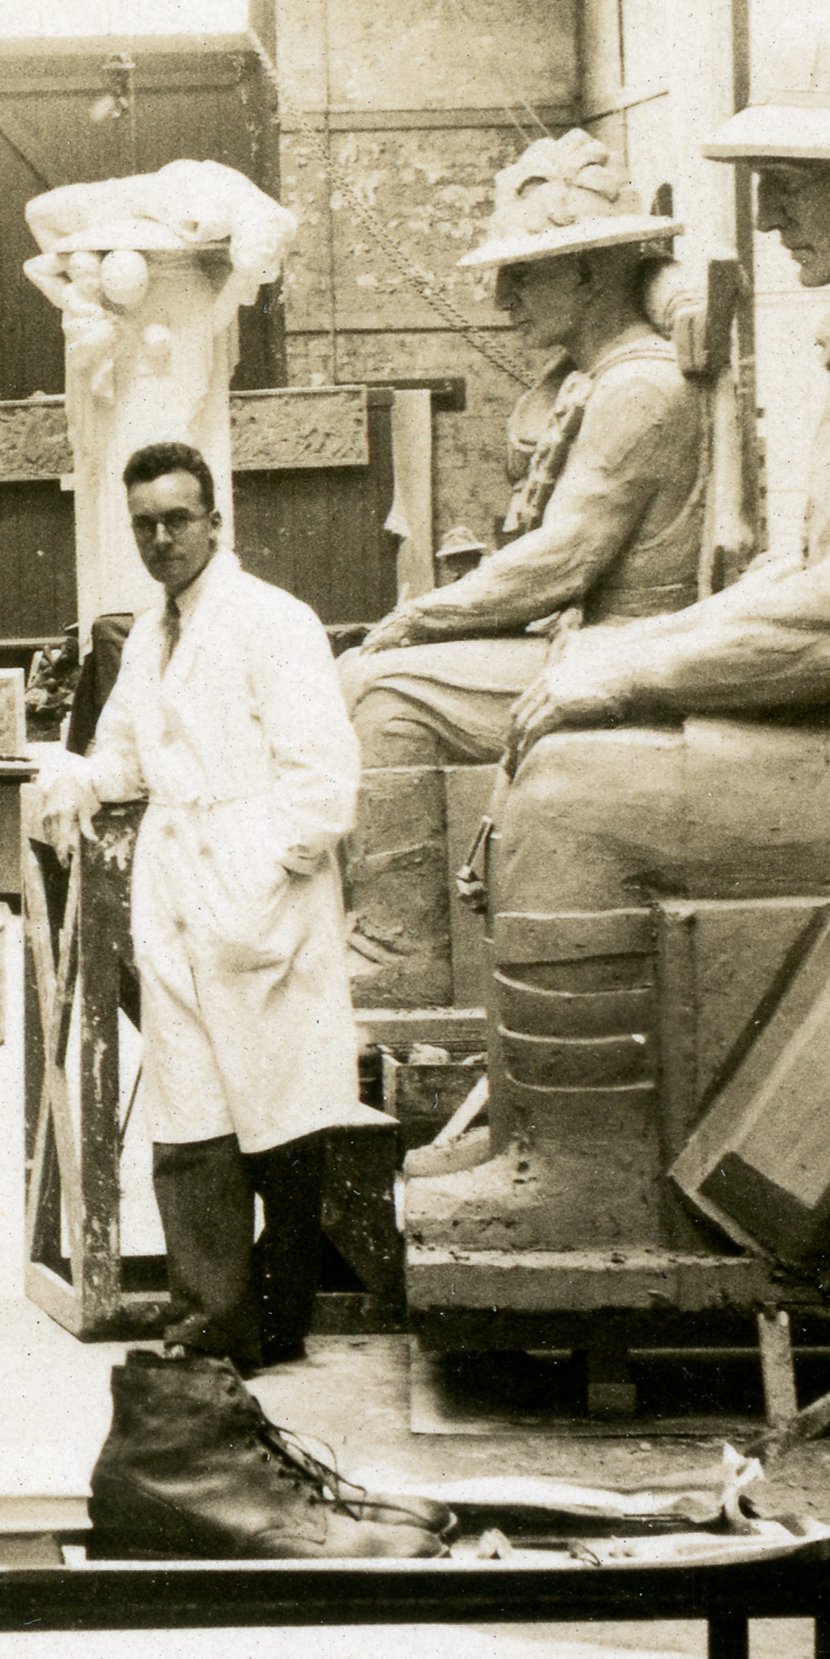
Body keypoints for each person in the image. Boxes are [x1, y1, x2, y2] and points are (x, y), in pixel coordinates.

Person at [403, 3, 830, 1261]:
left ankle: (590, 1182)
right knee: (562, 738)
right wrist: (612, 664)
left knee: (577, 801)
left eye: (788, 186)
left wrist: (621, 673)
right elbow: (803, 570)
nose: (769, 217)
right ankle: (539, 1126)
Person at [340, 130, 708, 1007]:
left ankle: (402, 952)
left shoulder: (638, 388)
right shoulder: (599, 374)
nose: (502, 296)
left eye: (526, 273)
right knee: (367, 670)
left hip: (619, 654)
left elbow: (561, 560)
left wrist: (423, 617)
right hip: (584, 640)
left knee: (390, 695)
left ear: (589, 275)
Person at [54, 438, 369, 1371]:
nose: (161, 539)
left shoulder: (273, 620)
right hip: (174, 880)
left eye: (176, 520)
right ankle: (207, 1321)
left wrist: (259, 874)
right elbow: (124, 756)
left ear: (214, 521)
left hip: (254, 880)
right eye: (144, 524)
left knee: (280, 1113)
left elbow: (323, 781)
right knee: (189, 1113)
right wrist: (75, 778)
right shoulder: (149, 635)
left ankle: (275, 1320)